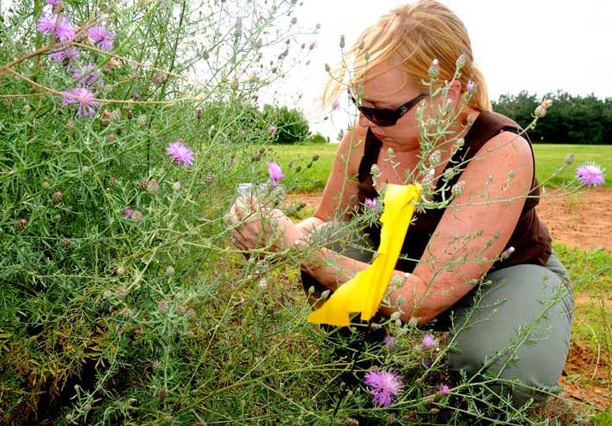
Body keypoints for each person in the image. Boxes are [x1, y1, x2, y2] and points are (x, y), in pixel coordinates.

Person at [227, 0, 573, 408]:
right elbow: (325, 222)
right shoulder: (366, 133)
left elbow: (422, 298)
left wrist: (300, 250)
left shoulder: (498, 150)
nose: (367, 122)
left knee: (498, 364)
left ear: (451, 93)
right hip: (405, 273)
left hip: (502, 277)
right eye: (361, 105)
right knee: (339, 242)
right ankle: (361, 373)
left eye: (387, 112)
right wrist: (274, 231)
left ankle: (501, 401)